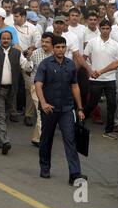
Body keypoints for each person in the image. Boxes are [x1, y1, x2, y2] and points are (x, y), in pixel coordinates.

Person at [34, 36, 87, 185]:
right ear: (53, 48)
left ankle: (75, 174)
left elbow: (75, 86)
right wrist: (43, 103)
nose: (60, 50)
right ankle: (45, 167)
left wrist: (80, 108)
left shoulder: (70, 65)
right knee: (46, 138)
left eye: (63, 47)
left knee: (70, 140)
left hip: (66, 109)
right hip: (49, 109)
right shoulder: (45, 64)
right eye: (58, 47)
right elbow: (38, 84)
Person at [0, 31, 32, 154]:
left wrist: (29, 59)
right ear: (0, 40)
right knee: (0, 115)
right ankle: (5, 141)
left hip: (11, 90)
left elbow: (27, 67)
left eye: (8, 38)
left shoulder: (17, 53)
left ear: (11, 40)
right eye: (3, 38)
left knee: (4, 115)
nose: (5, 40)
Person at [83, 20, 118, 140]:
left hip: (110, 79)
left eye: (107, 28)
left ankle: (109, 130)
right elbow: (84, 57)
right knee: (92, 104)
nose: (105, 31)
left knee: (112, 104)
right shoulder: (92, 42)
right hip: (95, 79)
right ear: (99, 29)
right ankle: (79, 122)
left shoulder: (116, 45)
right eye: (103, 28)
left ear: (110, 29)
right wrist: (90, 71)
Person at [26, 32, 54, 147]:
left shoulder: (55, 55)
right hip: (36, 87)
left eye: (47, 42)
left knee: (47, 113)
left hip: (51, 88)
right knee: (41, 112)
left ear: (52, 44)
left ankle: (36, 138)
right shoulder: (35, 54)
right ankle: (43, 140)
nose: (44, 44)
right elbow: (27, 69)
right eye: (43, 41)